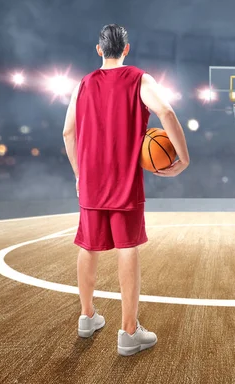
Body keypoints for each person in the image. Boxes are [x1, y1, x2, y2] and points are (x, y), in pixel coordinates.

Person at [62, 24, 190, 356]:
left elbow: (67, 132)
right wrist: (184, 157)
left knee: (88, 246)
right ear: (127, 49)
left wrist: (79, 175)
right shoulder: (139, 79)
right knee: (127, 247)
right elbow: (167, 112)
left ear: (99, 49)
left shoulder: (83, 84)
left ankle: (87, 317)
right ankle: (128, 333)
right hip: (124, 181)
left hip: (90, 181)